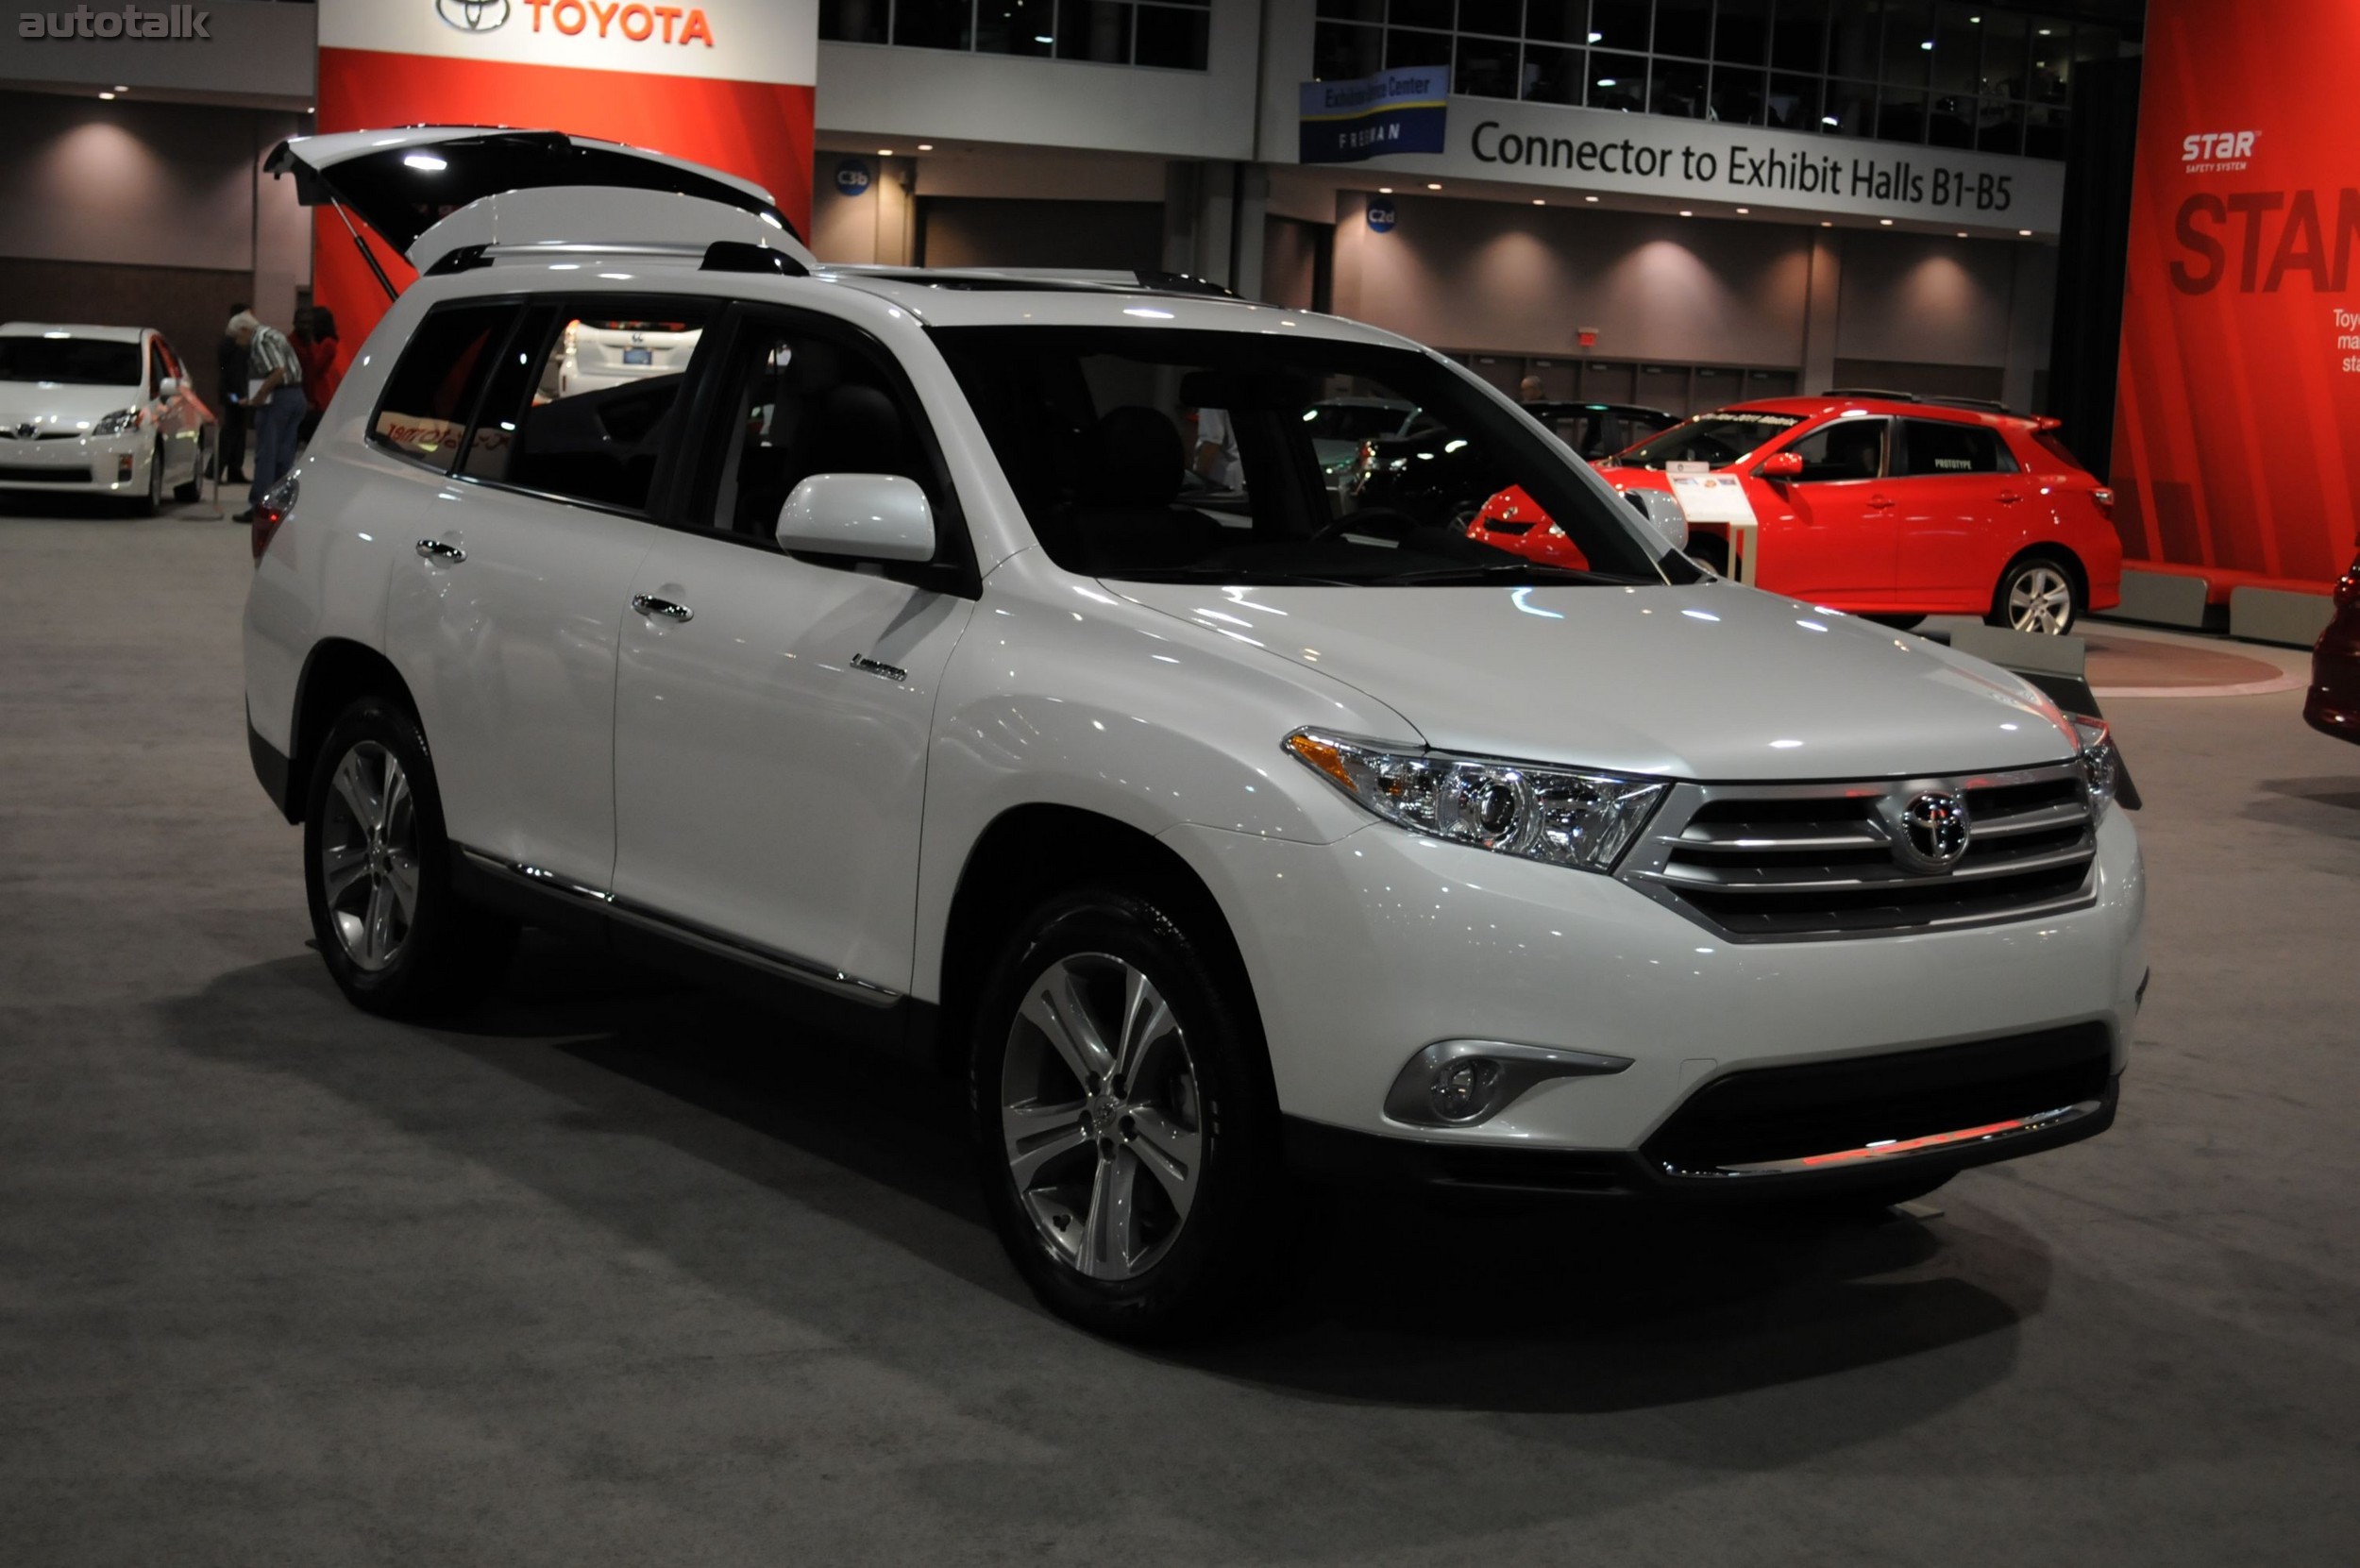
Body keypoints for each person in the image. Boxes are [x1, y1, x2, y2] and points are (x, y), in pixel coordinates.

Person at [229, 310, 304, 523]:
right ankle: (280, 507)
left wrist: (260, 396)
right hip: (296, 396)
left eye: (237, 337)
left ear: (244, 330)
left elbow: (277, 372)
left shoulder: (259, 340)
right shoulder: (274, 334)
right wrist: (252, 398)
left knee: (266, 455)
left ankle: (259, 507)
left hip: (278, 401)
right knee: (284, 456)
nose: (237, 343)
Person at [294, 306, 343, 446]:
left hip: (319, 391)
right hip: (315, 388)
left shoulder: (328, 344)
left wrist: (310, 345)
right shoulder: (323, 343)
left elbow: (314, 366)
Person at [214, 302, 250, 486]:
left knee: (236, 431)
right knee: (231, 432)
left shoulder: (228, 341)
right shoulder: (235, 344)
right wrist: (240, 396)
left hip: (232, 393)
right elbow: (235, 372)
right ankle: (218, 469)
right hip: (235, 394)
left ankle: (233, 469)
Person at [1191, 406, 1242, 490]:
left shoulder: (1212, 401)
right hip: (1238, 479)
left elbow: (1211, 444)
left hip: (1221, 483)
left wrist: (1196, 484)